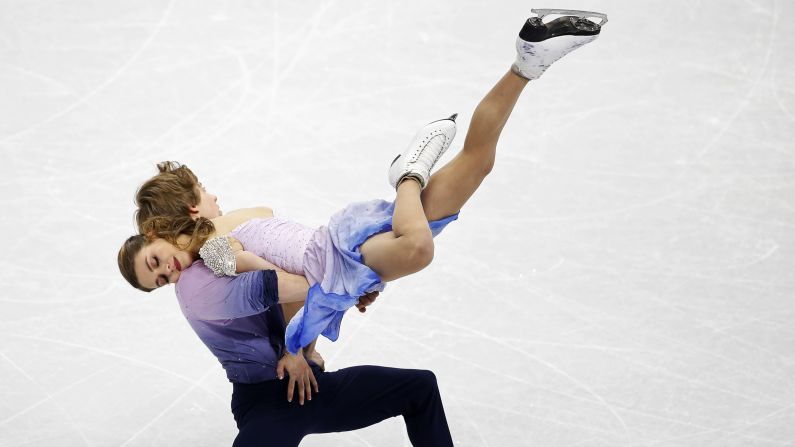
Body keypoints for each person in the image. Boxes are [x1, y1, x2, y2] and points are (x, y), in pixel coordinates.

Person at [118, 10, 607, 445]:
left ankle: (408, 176)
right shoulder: (223, 244)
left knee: (417, 249)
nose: (171, 276)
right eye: (160, 279)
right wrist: (317, 328)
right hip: (340, 256)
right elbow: (287, 281)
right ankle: (527, 61)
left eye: (159, 262)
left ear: (177, 217)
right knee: (477, 165)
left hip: (339, 255)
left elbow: (295, 285)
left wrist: (303, 339)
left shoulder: (218, 249)